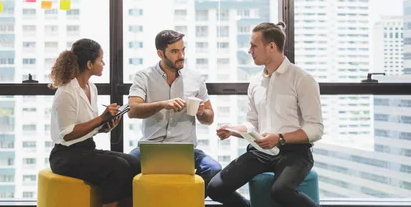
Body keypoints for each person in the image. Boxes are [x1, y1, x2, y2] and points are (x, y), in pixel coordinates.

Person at [206, 22, 324, 207]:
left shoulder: (302, 79)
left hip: (295, 152)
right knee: (215, 188)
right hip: (261, 151)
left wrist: (280, 138)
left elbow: (315, 129)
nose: (249, 50)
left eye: (254, 46)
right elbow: (252, 124)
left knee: (281, 191)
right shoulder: (255, 82)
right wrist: (232, 130)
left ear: (271, 46)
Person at [127, 29, 222, 196]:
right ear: (160, 53)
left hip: (185, 148)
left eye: (183, 50)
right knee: (123, 168)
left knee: (214, 169)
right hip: (151, 147)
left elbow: (209, 117)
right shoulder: (143, 76)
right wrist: (163, 104)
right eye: (174, 51)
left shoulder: (195, 78)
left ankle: (184, 199)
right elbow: (133, 110)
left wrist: (200, 112)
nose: (181, 55)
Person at [48, 38, 140, 207]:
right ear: (89, 64)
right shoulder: (66, 92)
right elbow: (67, 134)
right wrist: (100, 119)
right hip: (65, 156)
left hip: (86, 149)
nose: (103, 63)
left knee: (135, 164)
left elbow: (88, 126)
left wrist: (105, 126)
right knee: (118, 168)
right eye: (100, 60)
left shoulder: (92, 88)